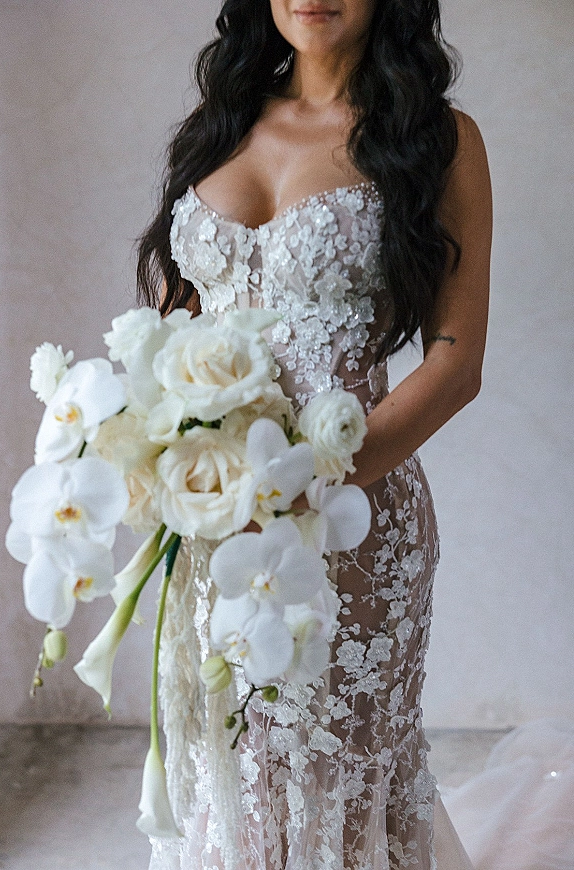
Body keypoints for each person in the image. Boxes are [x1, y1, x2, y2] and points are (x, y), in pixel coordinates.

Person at [136, 1, 491, 868]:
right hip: (218, 523)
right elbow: (175, 320)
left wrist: (307, 485)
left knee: (334, 785)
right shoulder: (218, 125)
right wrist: (157, 442)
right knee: (235, 775)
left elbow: (455, 364)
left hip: (356, 520)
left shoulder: (439, 140)